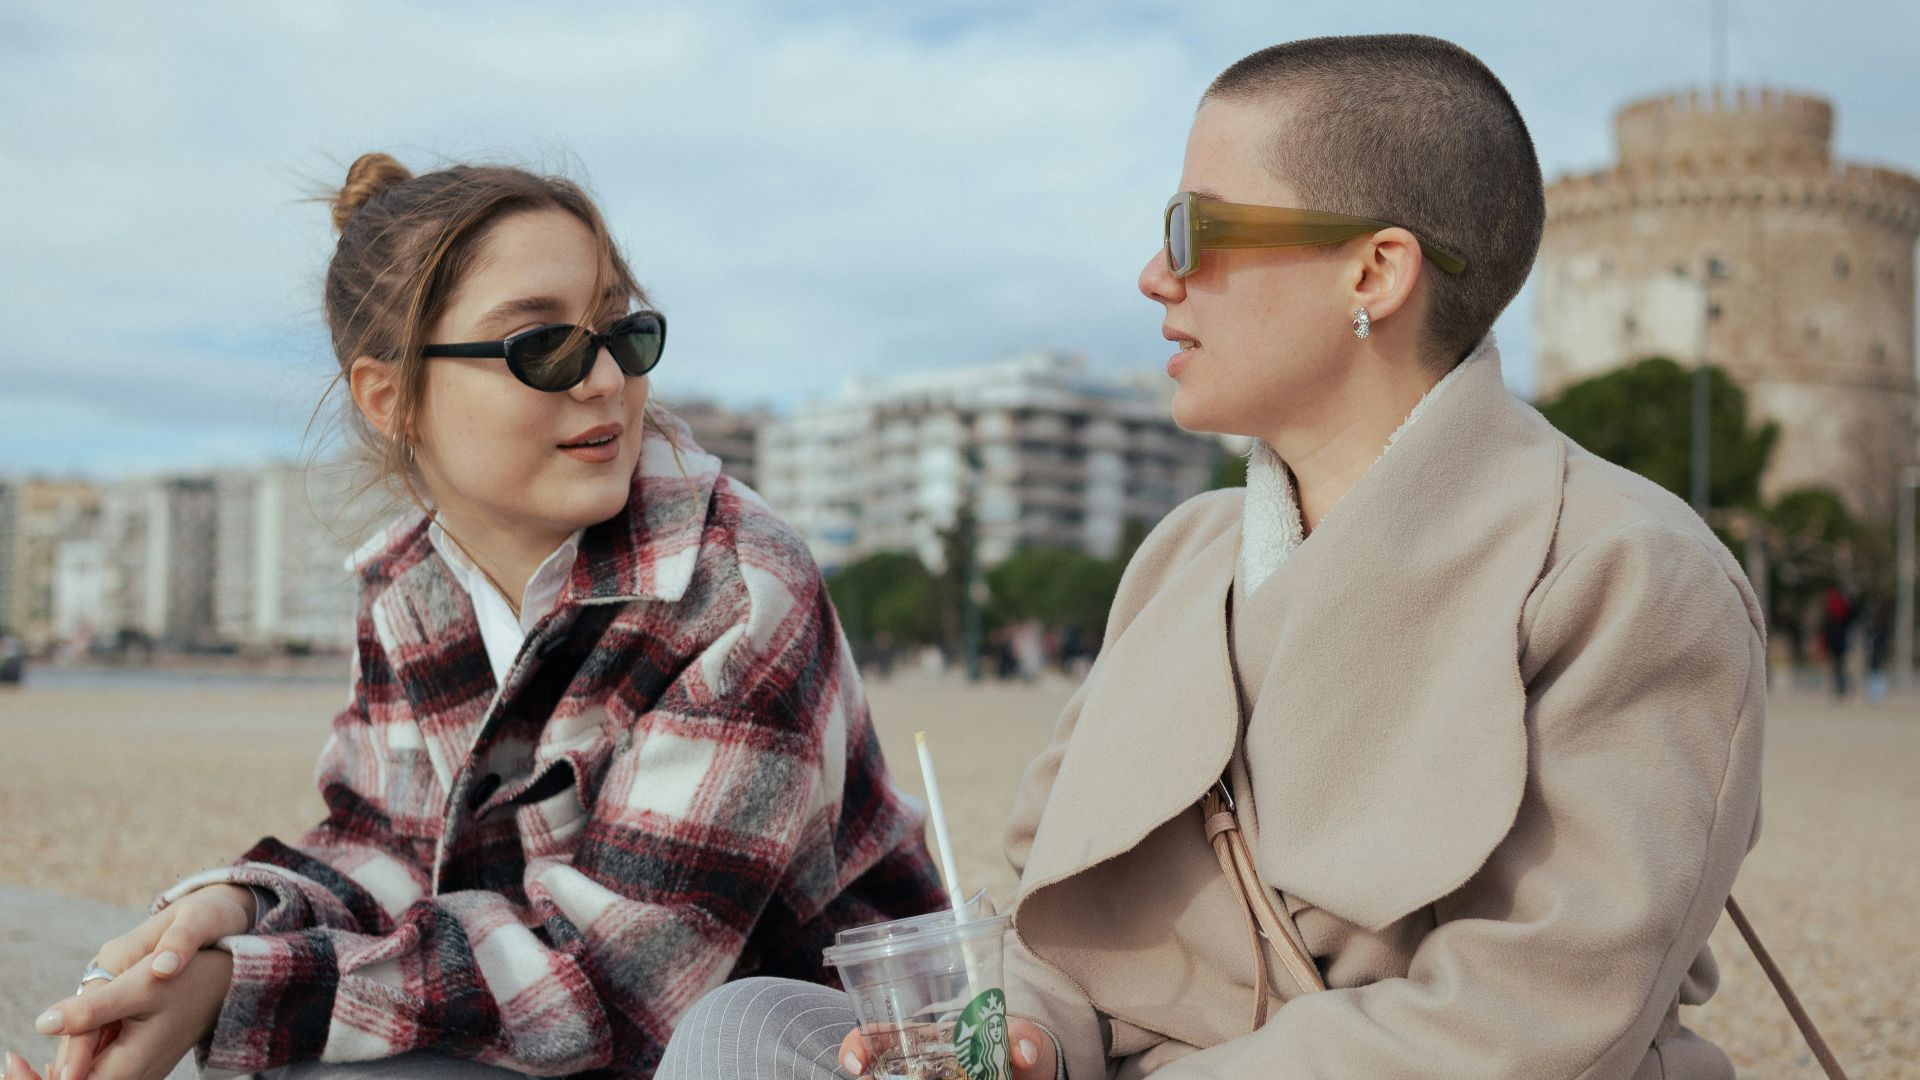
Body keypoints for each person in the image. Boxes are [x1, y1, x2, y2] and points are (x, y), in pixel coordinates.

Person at [662, 34, 1766, 1080]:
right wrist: (1031, 1038)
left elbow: (1539, 1015)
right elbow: (1062, 916)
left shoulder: (1625, 569)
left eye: (1195, 231)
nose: (1153, 274)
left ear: (1375, 275)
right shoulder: (1185, 557)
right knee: (748, 1023)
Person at [17, 154, 944, 1080]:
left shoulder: (735, 588)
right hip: (576, 1025)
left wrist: (241, 989)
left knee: (303, 1030)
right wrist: (238, 915)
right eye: (543, 346)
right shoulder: (407, 586)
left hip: (798, 1045)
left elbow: (617, 986)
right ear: (389, 400)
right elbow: (385, 844)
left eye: (624, 332)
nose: (603, 382)